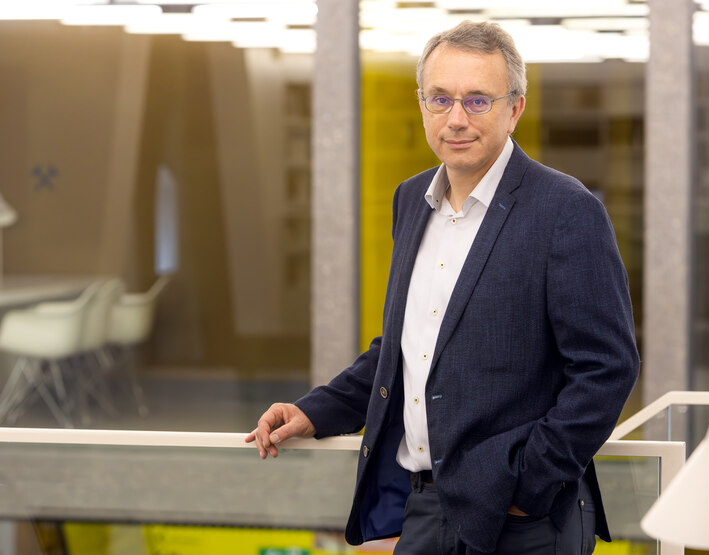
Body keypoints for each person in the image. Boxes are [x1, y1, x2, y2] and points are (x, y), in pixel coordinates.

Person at [246, 20, 640, 555]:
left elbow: (606, 368)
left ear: (515, 108)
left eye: (478, 101)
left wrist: (527, 485)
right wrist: (316, 411)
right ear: (422, 103)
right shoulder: (412, 201)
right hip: (426, 506)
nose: (456, 118)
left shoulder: (565, 211)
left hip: (520, 520)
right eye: (440, 99)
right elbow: (410, 349)